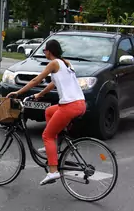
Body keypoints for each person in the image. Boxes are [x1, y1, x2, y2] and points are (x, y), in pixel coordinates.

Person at [6, 39, 86, 186]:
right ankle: (52, 147)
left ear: (49, 51)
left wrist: (18, 92)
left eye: (44, 50)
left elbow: (36, 80)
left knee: (46, 135)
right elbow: (53, 83)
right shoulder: (65, 63)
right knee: (49, 111)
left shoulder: (53, 63)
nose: (44, 53)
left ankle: (53, 171)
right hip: (80, 104)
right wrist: (39, 95)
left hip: (69, 106)